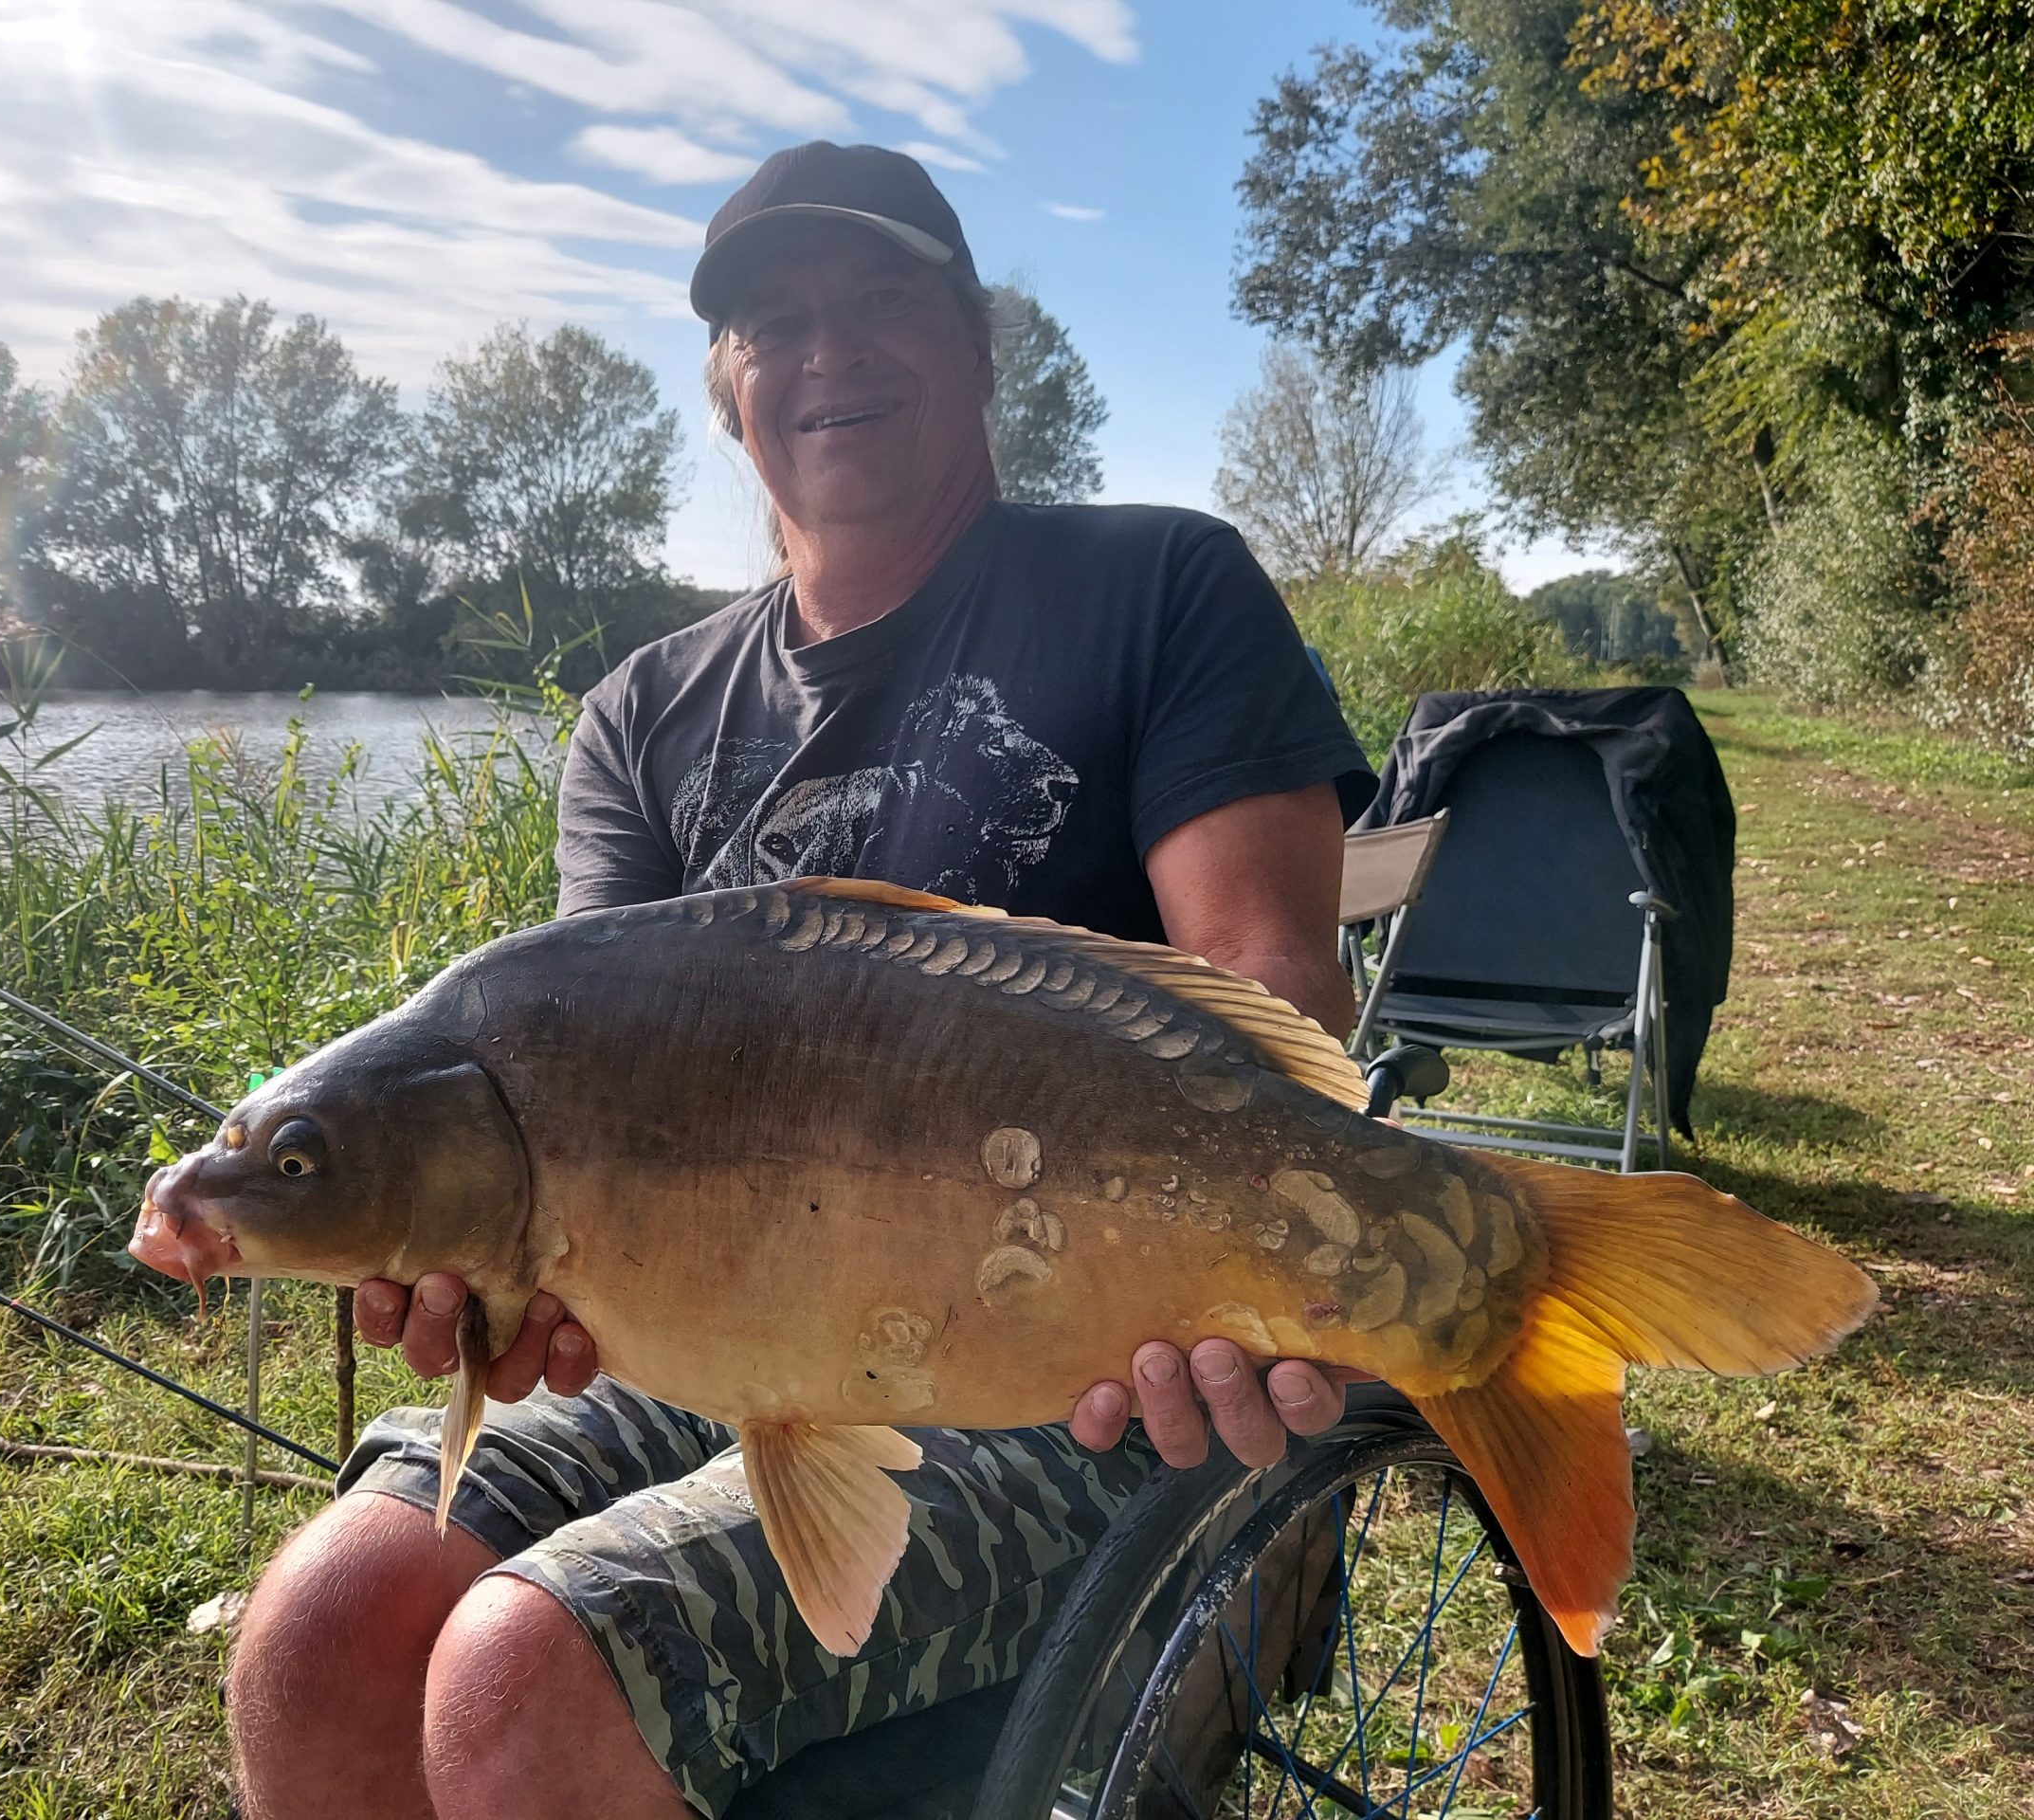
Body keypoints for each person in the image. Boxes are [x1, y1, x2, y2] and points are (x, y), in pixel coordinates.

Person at [227, 141, 1375, 1820]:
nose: (827, 352)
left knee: (519, 1679)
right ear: (727, 389)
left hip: (1069, 1370)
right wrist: (469, 1262)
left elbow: (1265, 973)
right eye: (775, 322)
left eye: (882, 300)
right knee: (319, 1633)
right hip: (713, 1348)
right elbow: (561, 1089)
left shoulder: (1158, 591)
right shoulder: (640, 714)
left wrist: (1276, 1257)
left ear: (984, 347)